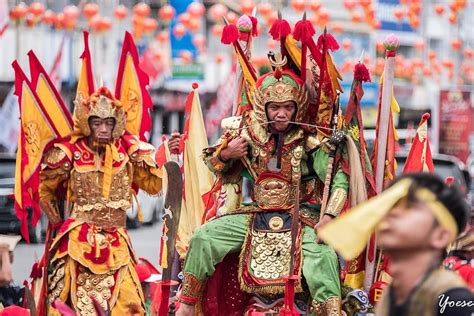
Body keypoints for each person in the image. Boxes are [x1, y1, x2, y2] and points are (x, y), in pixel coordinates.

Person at [176, 55, 357, 314]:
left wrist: (328, 216)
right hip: (256, 213)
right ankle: (186, 305)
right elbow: (212, 159)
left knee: (323, 255)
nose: (281, 114)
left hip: (301, 216)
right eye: (274, 107)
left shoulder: (309, 139)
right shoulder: (248, 132)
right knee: (204, 237)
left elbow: (339, 177)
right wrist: (227, 154)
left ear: (297, 107)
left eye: (287, 107)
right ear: (264, 107)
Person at [39, 87, 180, 315]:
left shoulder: (127, 151)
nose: (103, 129)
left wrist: (169, 156)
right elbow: (45, 190)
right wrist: (57, 224)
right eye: (97, 123)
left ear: (116, 124)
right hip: (78, 240)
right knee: (63, 303)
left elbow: (153, 185)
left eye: (108, 123)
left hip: (118, 241)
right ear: (87, 123)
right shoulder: (69, 152)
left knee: (130, 304)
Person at [319, 173, 474, 316]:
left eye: (410, 207)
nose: (392, 213)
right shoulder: (392, 295)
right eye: (393, 205)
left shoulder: (452, 300)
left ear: (440, 236)